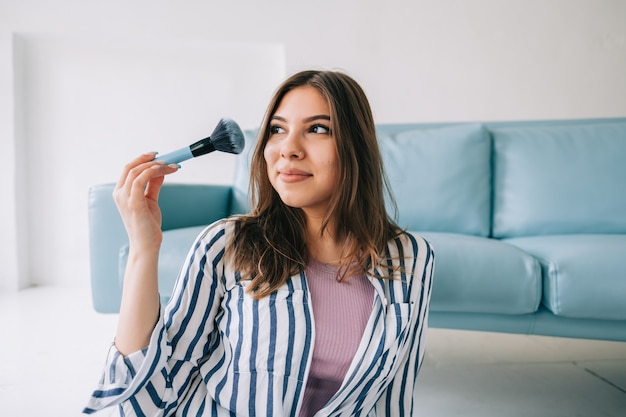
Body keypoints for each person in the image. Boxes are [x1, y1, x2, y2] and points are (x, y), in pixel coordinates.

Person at [84, 69, 434, 416]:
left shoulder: (413, 259)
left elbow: (394, 398)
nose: (288, 149)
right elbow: (147, 400)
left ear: (356, 146)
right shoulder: (225, 245)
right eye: (277, 129)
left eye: (317, 129)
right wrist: (143, 250)